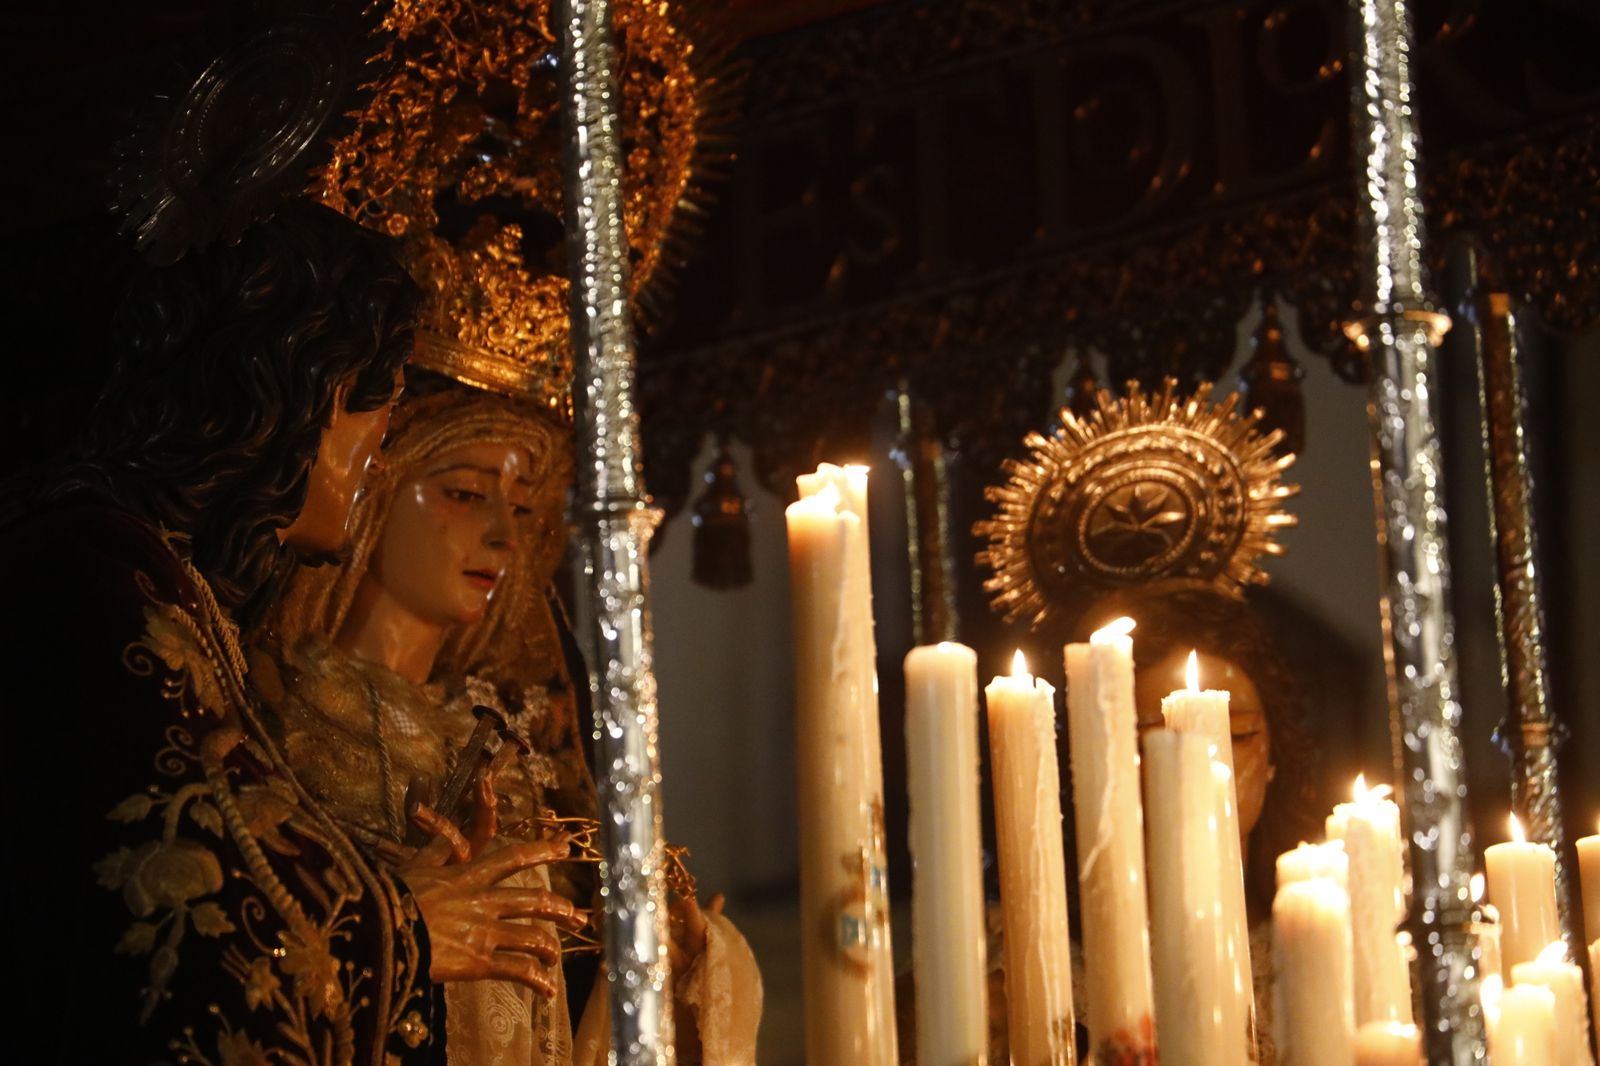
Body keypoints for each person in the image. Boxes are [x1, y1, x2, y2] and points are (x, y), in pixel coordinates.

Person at [0, 202, 577, 1064]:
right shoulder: (99, 584)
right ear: (289, 399)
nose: (374, 461)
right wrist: (402, 925)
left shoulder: (167, 592)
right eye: (372, 418)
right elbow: (181, 933)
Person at [255, 374, 763, 1065]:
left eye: (522, 510)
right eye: (466, 494)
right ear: (372, 488)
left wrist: (673, 965)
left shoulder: (514, 744)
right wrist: (401, 921)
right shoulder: (285, 718)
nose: (504, 536)